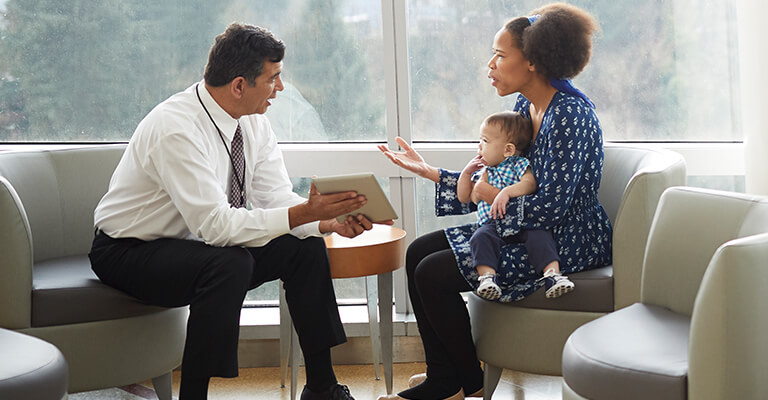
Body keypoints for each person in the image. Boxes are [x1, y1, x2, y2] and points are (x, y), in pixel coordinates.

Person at [89, 23, 388, 400]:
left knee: (304, 248)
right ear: (239, 85)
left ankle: (322, 387)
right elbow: (214, 226)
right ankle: (194, 395)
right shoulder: (176, 127)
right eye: (273, 78)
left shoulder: (254, 124)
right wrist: (304, 214)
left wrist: (323, 220)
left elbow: (275, 198)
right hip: (128, 252)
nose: (280, 88)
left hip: (195, 246)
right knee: (230, 263)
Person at [376, 3, 612, 400]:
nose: (490, 65)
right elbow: (499, 180)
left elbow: (554, 207)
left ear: (534, 62)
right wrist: (432, 172)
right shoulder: (526, 109)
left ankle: (461, 382)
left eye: (500, 56)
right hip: (523, 226)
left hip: (566, 240)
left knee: (433, 273)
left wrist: (487, 194)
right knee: (418, 253)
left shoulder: (571, 115)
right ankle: (448, 377)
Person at [457, 111, 573, 301]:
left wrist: (506, 192)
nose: (479, 146)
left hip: (522, 222)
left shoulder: (518, 164)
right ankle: (487, 278)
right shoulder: (485, 172)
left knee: (540, 235)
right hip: (493, 225)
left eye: (484, 141)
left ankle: (553, 275)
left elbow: (530, 183)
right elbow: (464, 197)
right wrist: (466, 173)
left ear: (508, 150)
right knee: (479, 237)